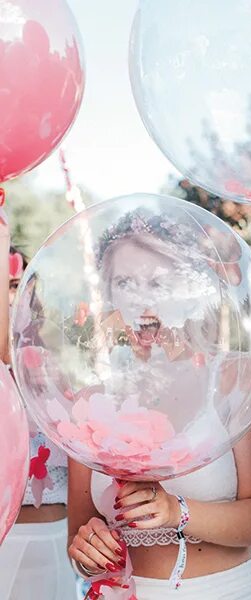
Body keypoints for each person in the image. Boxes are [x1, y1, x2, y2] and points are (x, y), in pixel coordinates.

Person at [67, 209, 251, 599]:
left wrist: (175, 511)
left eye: (157, 281)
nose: (141, 298)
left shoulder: (234, 376)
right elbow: (78, 544)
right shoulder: (89, 404)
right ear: (110, 293)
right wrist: (87, 550)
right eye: (125, 282)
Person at [0, 236, 75, 600]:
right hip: (6, 546)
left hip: (57, 543)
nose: (10, 297)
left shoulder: (56, 370)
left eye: (14, 285)